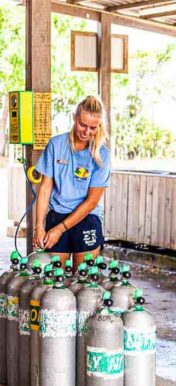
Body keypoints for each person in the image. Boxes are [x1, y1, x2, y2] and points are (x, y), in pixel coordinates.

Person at [33, 96, 111, 266]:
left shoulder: (102, 155)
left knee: (83, 282)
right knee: (54, 282)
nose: (86, 132)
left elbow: (91, 202)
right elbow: (45, 189)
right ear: (74, 117)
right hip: (57, 214)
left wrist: (60, 229)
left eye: (93, 128)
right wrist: (39, 226)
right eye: (82, 125)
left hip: (86, 217)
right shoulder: (56, 145)